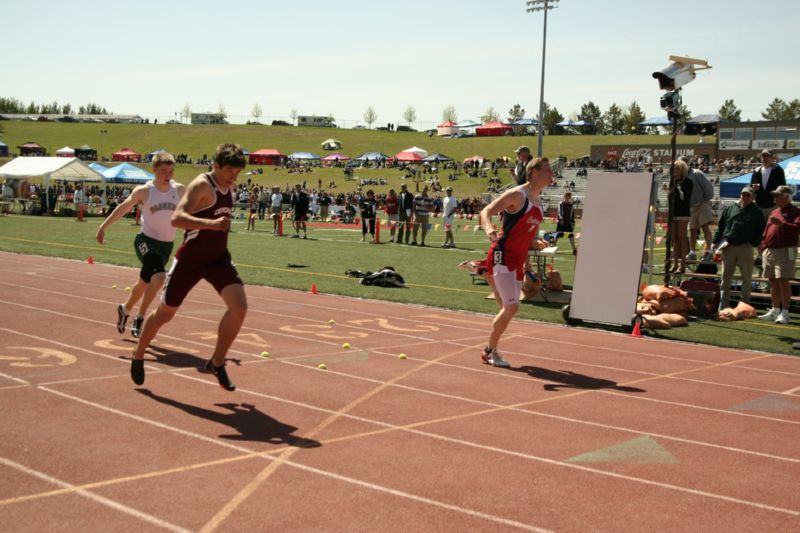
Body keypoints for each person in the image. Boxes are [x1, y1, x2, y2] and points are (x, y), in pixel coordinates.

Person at [130, 143, 248, 390]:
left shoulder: (230, 186)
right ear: (215, 166)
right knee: (165, 314)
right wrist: (211, 224)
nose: (233, 177)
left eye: (237, 172)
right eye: (228, 171)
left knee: (239, 308)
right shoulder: (202, 185)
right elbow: (177, 219)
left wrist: (215, 227)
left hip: (218, 258)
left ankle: (216, 363)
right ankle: (139, 353)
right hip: (191, 260)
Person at [96, 152, 184, 338]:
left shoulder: (179, 190)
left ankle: (124, 309)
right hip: (146, 241)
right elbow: (123, 208)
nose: (168, 175)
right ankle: (140, 316)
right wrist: (103, 227)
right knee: (159, 278)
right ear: (154, 170)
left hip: (166, 245)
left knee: (145, 282)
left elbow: (192, 210)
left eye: (171, 171)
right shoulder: (145, 191)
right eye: (163, 171)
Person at [479, 157, 552, 367]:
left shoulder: (538, 202)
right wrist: (489, 228)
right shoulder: (517, 195)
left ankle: (483, 270)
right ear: (534, 172)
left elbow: (525, 233)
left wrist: (534, 243)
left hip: (518, 259)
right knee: (511, 307)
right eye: (547, 170)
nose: (551, 174)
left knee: (506, 307)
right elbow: (486, 211)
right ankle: (489, 351)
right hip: (502, 254)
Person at [712, 186, 765, 310]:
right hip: (728, 245)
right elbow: (721, 226)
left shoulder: (756, 211)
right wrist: (715, 241)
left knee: (747, 277)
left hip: (745, 246)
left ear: (753, 197)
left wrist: (753, 243)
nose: (745, 197)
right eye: (743, 194)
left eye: (748, 195)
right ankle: (724, 303)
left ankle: (745, 303)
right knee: (725, 276)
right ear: (740, 195)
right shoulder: (730, 209)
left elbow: (760, 230)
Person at [758, 185, 799, 324]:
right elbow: (767, 229)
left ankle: (785, 312)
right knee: (772, 280)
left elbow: (797, 229)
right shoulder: (774, 211)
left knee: (783, 280)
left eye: (778, 195)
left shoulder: (795, 211)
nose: (775, 198)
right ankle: (775, 310)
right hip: (770, 249)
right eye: (774, 195)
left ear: (787, 197)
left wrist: (783, 224)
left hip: (786, 249)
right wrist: (763, 243)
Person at [682, 156, 715, 261]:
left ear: (687, 164)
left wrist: (704, 201)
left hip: (701, 204)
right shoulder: (680, 176)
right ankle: (692, 252)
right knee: (692, 230)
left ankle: (709, 251)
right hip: (690, 207)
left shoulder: (697, 174)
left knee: (705, 227)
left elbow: (709, 188)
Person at [668, 160, 694, 273]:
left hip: (683, 212)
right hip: (673, 213)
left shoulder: (688, 182)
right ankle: (675, 263)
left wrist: (677, 191)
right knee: (674, 238)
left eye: (677, 168)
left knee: (682, 238)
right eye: (674, 169)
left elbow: (686, 198)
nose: (675, 171)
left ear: (683, 170)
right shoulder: (672, 182)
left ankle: (682, 264)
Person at [750, 149, 786, 220]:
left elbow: (783, 187)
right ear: (761, 158)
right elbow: (751, 187)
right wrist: (754, 188)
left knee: (772, 229)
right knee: (760, 229)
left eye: (767, 156)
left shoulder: (778, 170)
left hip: (774, 206)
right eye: (763, 156)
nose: (765, 158)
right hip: (760, 206)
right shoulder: (756, 171)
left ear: (772, 158)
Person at [554, 191, 577, 255]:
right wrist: (561, 219)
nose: (567, 197)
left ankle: (574, 250)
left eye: (568, 196)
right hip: (561, 222)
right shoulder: (561, 203)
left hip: (568, 223)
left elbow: (572, 214)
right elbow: (559, 212)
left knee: (571, 236)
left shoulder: (571, 204)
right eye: (566, 196)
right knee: (557, 236)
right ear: (564, 196)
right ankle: (552, 248)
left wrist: (573, 222)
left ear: (570, 197)